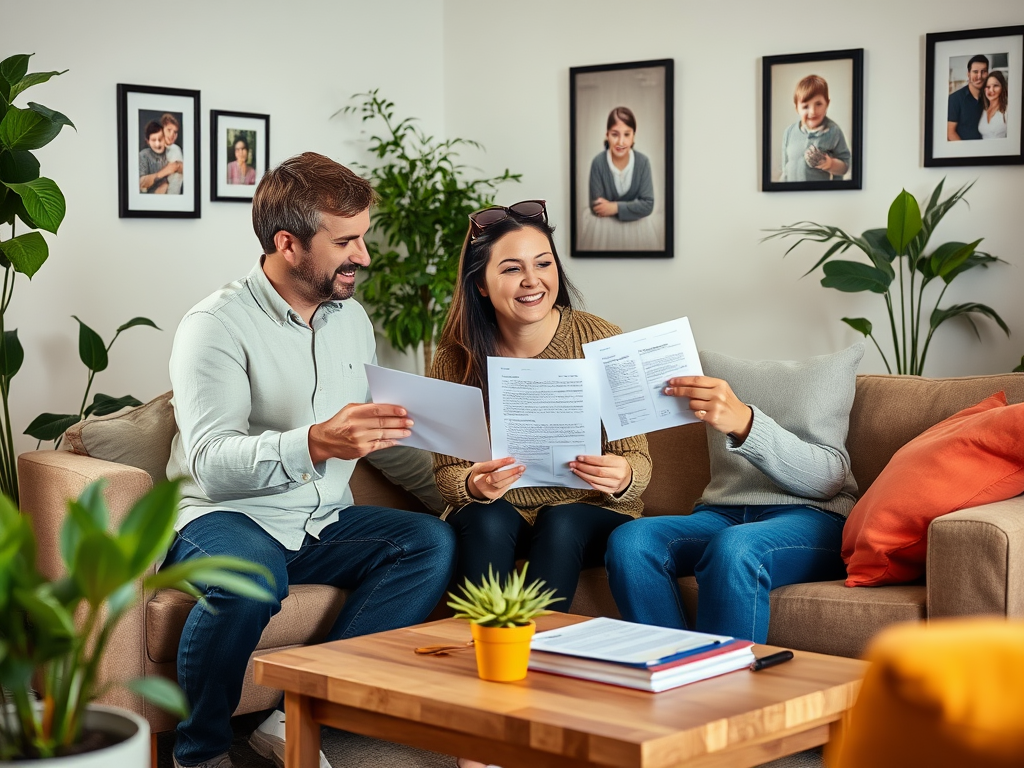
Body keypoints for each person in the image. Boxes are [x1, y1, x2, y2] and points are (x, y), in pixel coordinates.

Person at [162, 152, 456, 768]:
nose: (365, 257)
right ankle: (200, 753)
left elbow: (380, 433)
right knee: (251, 579)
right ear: (287, 243)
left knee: (428, 543)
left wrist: (458, 489)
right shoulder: (215, 325)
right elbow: (211, 461)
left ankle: (290, 718)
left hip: (320, 518)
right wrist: (317, 442)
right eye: (345, 241)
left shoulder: (351, 320)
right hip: (223, 516)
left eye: (363, 238)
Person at [430, 200, 651, 607]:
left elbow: (637, 459)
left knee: (562, 521)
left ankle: (539, 654)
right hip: (500, 508)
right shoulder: (454, 356)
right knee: (485, 519)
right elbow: (447, 473)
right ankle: (487, 649)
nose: (532, 280)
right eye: (512, 268)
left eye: (543, 264)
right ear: (481, 284)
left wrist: (622, 476)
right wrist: (473, 484)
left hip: (585, 510)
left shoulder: (604, 340)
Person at [605, 345, 864, 645]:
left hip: (811, 516)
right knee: (631, 540)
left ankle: (723, 688)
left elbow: (828, 482)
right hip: (721, 512)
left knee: (735, 547)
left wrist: (745, 423)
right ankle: (673, 669)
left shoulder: (830, 378)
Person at [580, 106, 660, 251]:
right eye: (615, 134)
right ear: (607, 135)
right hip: (605, 232)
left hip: (638, 231)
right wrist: (633, 206)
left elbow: (648, 204)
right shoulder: (598, 162)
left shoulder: (643, 162)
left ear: (633, 136)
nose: (621, 141)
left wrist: (614, 207)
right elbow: (597, 206)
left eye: (627, 134)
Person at [779, 75, 851, 182]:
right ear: (797, 108)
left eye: (818, 104)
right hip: (791, 194)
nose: (813, 111)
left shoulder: (834, 131)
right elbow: (785, 168)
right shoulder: (789, 132)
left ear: (827, 104)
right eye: (805, 106)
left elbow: (845, 166)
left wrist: (829, 163)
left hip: (819, 195)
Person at [947, 54, 988, 141]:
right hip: (964, 151)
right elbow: (950, 133)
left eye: (983, 71)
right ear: (968, 74)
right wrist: (966, 152)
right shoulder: (954, 99)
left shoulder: (990, 97)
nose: (979, 76)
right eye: (975, 72)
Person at [138, 120, 179, 194]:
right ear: (148, 141)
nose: (157, 144)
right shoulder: (143, 155)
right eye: (153, 140)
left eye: (160, 139)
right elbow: (140, 183)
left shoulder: (171, 151)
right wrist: (166, 171)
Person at [979, 71, 1008, 139]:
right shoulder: (983, 110)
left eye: (995, 86)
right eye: (988, 87)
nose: (991, 90)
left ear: (1002, 87)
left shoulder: (1007, 110)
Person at [161, 113, 184, 194]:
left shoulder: (175, 149)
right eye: (169, 130)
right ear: (162, 129)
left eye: (175, 132)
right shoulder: (153, 149)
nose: (172, 135)